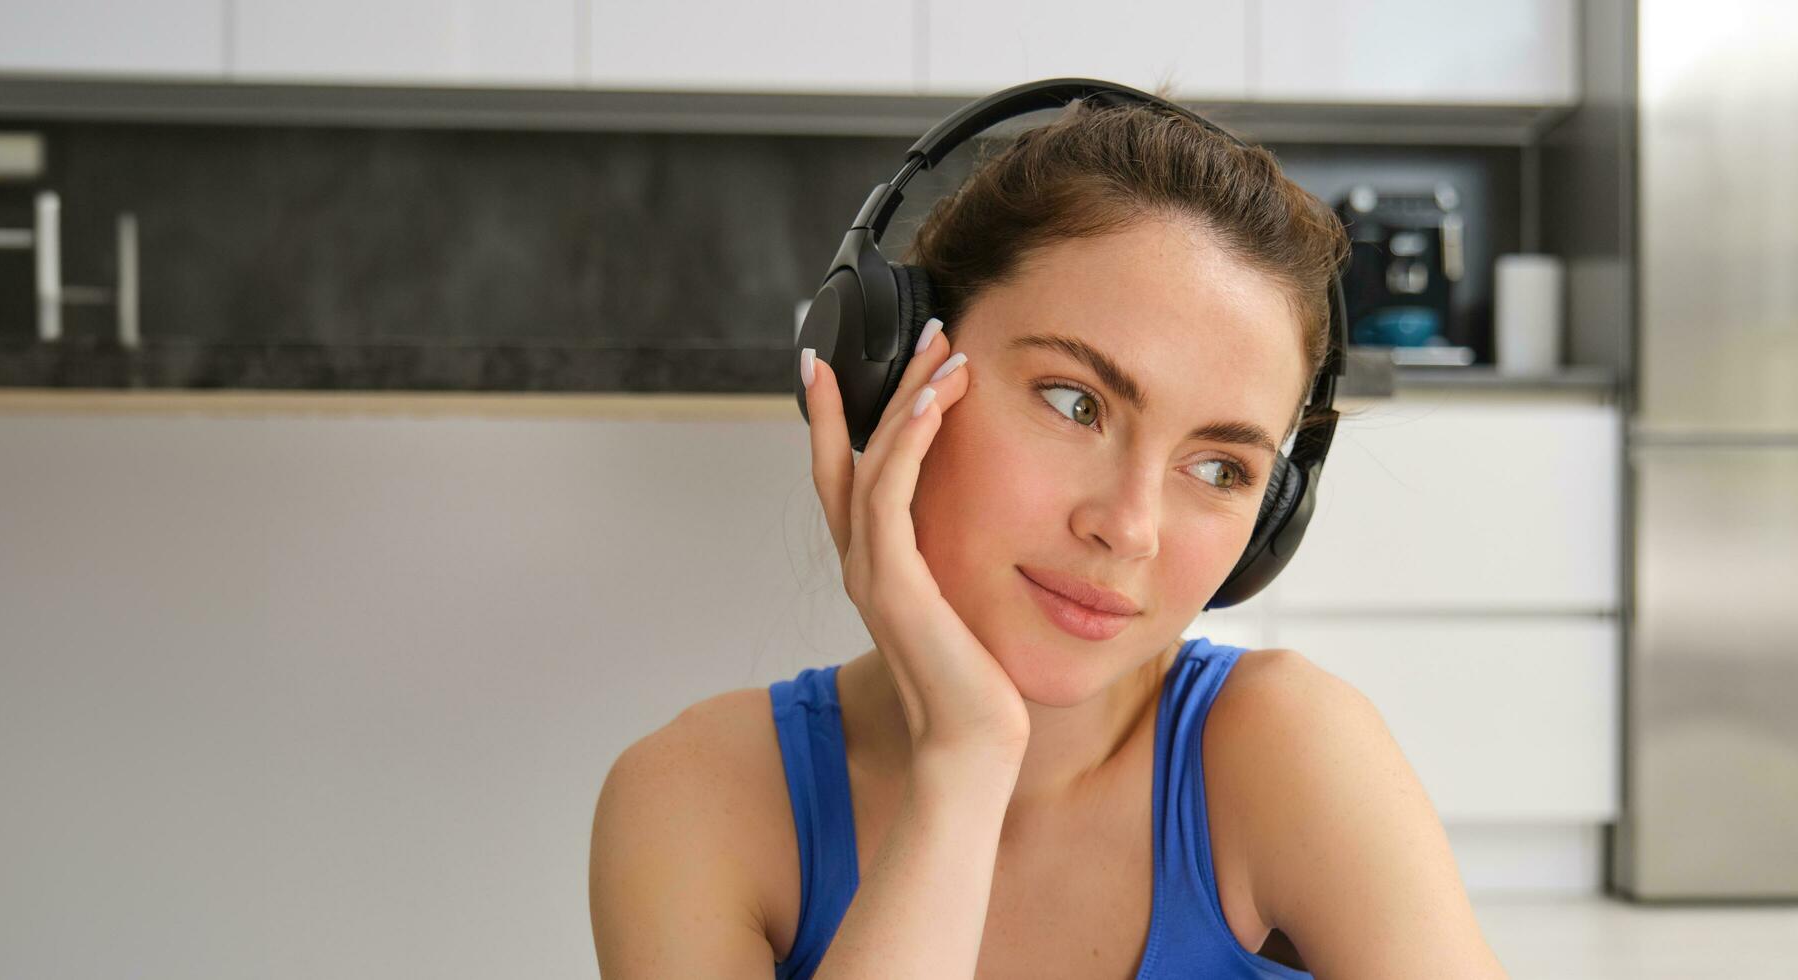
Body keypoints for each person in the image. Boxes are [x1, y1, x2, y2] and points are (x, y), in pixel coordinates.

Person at [589, 95, 1510, 979]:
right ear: (896, 373)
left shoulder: (1288, 753)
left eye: (1220, 468)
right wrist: (967, 757)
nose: (1127, 527)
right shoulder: (699, 800)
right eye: (1076, 404)